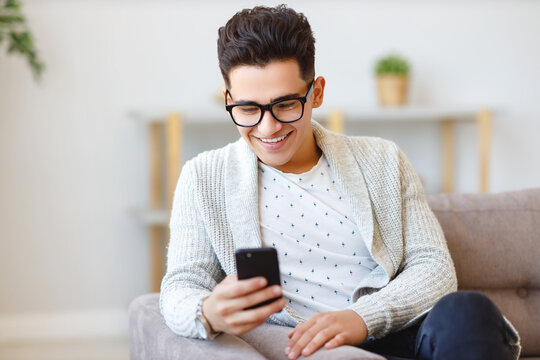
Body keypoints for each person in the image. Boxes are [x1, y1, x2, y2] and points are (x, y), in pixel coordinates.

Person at [160, 5, 521, 360]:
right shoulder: (203, 177)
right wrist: (206, 311)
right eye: (248, 109)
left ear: (316, 92)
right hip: (305, 343)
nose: (268, 128)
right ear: (229, 100)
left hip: (402, 333)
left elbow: (434, 268)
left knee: (468, 310)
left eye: (286, 105)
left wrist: (361, 319)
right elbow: (180, 286)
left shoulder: (384, 160)